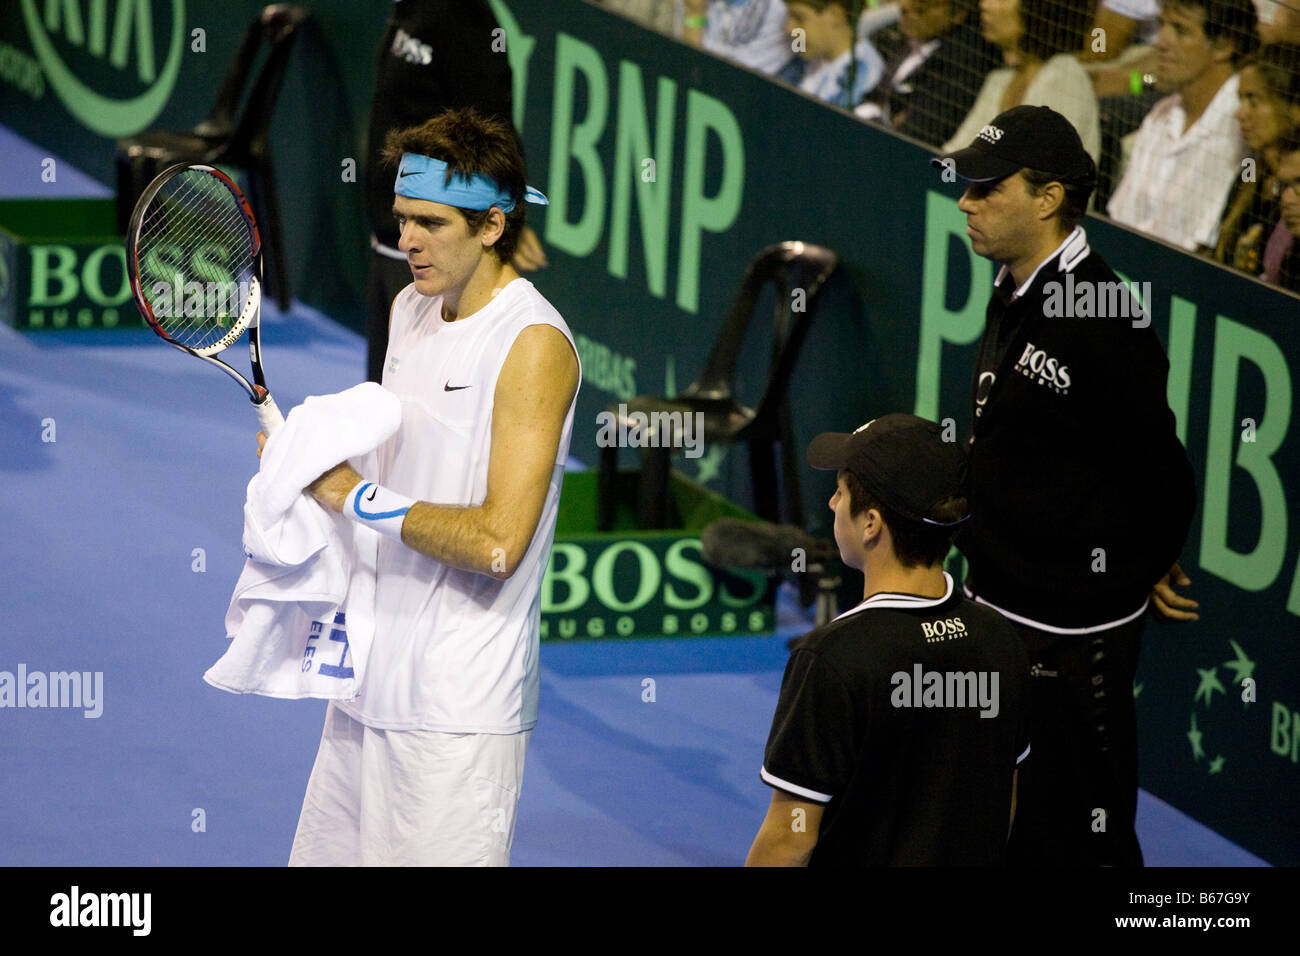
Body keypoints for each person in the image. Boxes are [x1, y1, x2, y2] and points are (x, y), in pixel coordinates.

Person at [278, 107, 581, 866]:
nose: (406, 239)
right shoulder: (408, 308)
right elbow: (396, 460)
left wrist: (352, 496)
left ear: (492, 225)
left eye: (431, 223)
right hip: (368, 682)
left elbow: (498, 543)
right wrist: (307, 457)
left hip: (456, 712)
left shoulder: (532, 345)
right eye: (402, 218)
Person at [933, 105, 1198, 867]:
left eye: (987, 187)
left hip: (1072, 631)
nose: (967, 201)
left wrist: (1123, 569)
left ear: (1048, 199)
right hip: (1000, 598)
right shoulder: (1014, 285)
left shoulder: (1105, 319)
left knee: (1084, 824)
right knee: (1005, 809)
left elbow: (1162, 472)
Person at [746, 414, 1031, 866]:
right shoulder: (1001, 640)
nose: (832, 503)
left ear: (871, 523)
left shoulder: (830, 658)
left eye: (839, 492)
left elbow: (789, 837)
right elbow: (1004, 800)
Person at [362, 0, 547, 386]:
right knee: (384, 394)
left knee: (420, 396)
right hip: (386, 236)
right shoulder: (409, 9)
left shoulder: (466, 20)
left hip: (426, 248)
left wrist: (508, 216)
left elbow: (491, 124)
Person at [1107, 0, 1260, 251]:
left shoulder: (1243, 129)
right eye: (1162, 25)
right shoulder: (1159, 116)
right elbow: (1122, 222)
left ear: (1224, 45)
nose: (1160, 42)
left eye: (1180, 30)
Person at [944, 0, 1101, 163]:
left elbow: (1037, 173)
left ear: (1037, 9)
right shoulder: (999, 80)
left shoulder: (1065, 77)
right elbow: (957, 151)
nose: (984, 5)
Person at [855, 0, 1003, 147]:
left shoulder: (960, 62)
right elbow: (873, 98)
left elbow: (917, 133)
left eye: (921, 6)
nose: (906, 7)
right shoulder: (902, 40)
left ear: (957, 14)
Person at [1214, 44, 1300, 272]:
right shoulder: (1250, 170)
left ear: (1293, 107)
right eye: (1240, 99)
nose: (1240, 114)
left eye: (1254, 101)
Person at [783, 0, 885, 108]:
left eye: (799, 18)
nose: (789, 28)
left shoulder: (864, 73)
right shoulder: (808, 56)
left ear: (836, 15)